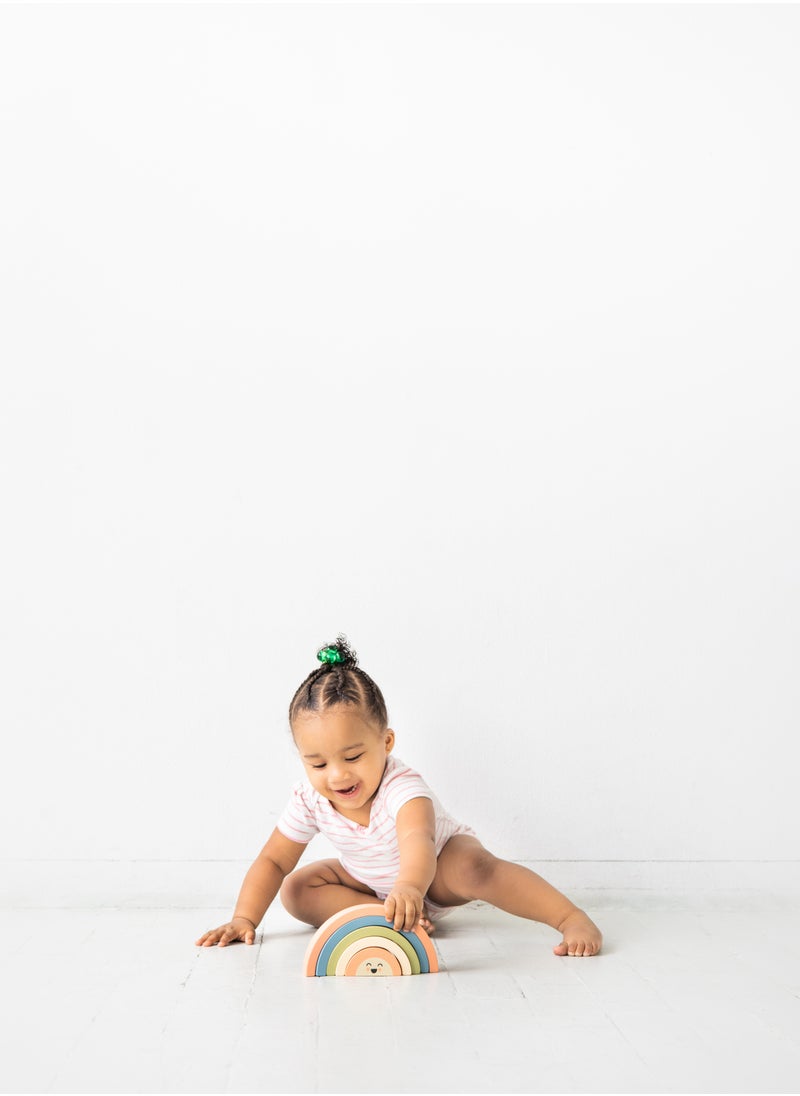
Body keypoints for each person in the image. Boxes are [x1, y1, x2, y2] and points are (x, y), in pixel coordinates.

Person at [195, 635, 603, 957]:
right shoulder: (309, 798)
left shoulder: (402, 788)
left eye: (353, 756)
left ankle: (569, 916)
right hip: (374, 883)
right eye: (317, 764)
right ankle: (385, 918)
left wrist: (410, 888)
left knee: (476, 868)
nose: (336, 775)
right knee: (296, 890)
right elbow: (273, 859)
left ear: (386, 742)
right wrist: (244, 917)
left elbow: (417, 841)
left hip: (435, 870)